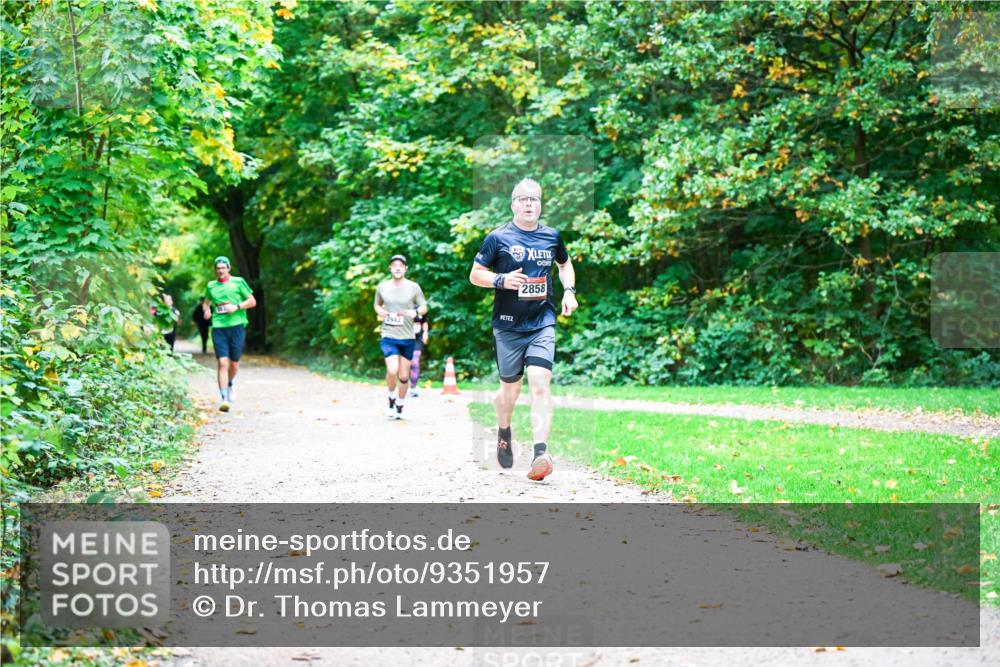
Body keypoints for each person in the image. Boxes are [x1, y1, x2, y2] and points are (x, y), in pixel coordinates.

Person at [468, 178, 578, 481]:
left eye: (536, 199)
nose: (530, 204)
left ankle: (540, 453)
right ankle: (504, 428)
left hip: (542, 322)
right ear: (513, 204)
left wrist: (569, 291)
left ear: (541, 204)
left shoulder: (552, 237)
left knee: (540, 382)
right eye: (524, 199)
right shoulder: (498, 238)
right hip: (507, 327)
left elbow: (565, 264)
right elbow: (475, 275)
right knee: (510, 392)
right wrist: (501, 280)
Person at [374, 254, 428, 420]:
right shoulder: (382, 287)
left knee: (404, 376)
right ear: (390, 268)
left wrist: (416, 311)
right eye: (394, 265)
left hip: (407, 337)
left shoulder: (413, 287)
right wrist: (380, 311)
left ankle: (400, 405)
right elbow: (377, 304)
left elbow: (425, 307)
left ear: (405, 269)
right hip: (389, 335)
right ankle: (390, 400)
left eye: (401, 265)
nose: (397, 267)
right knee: (392, 370)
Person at [201, 256, 256, 412]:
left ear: (228, 268)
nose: (220, 271)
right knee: (222, 363)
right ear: (215, 270)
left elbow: (252, 301)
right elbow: (206, 302)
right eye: (218, 268)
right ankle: (224, 398)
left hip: (237, 326)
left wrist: (236, 306)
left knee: (234, 363)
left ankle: (230, 383)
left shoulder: (238, 282)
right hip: (218, 327)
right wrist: (206, 311)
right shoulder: (211, 286)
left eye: (223, 268)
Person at [409, 314, 429, 397]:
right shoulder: (401, 303)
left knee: (415, 362)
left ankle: (413, 387)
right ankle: (404, 383)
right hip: (402, 338)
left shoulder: (421, 307)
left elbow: (424, 322)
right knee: (403, 364)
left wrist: (425, 332)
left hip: (416, 339)